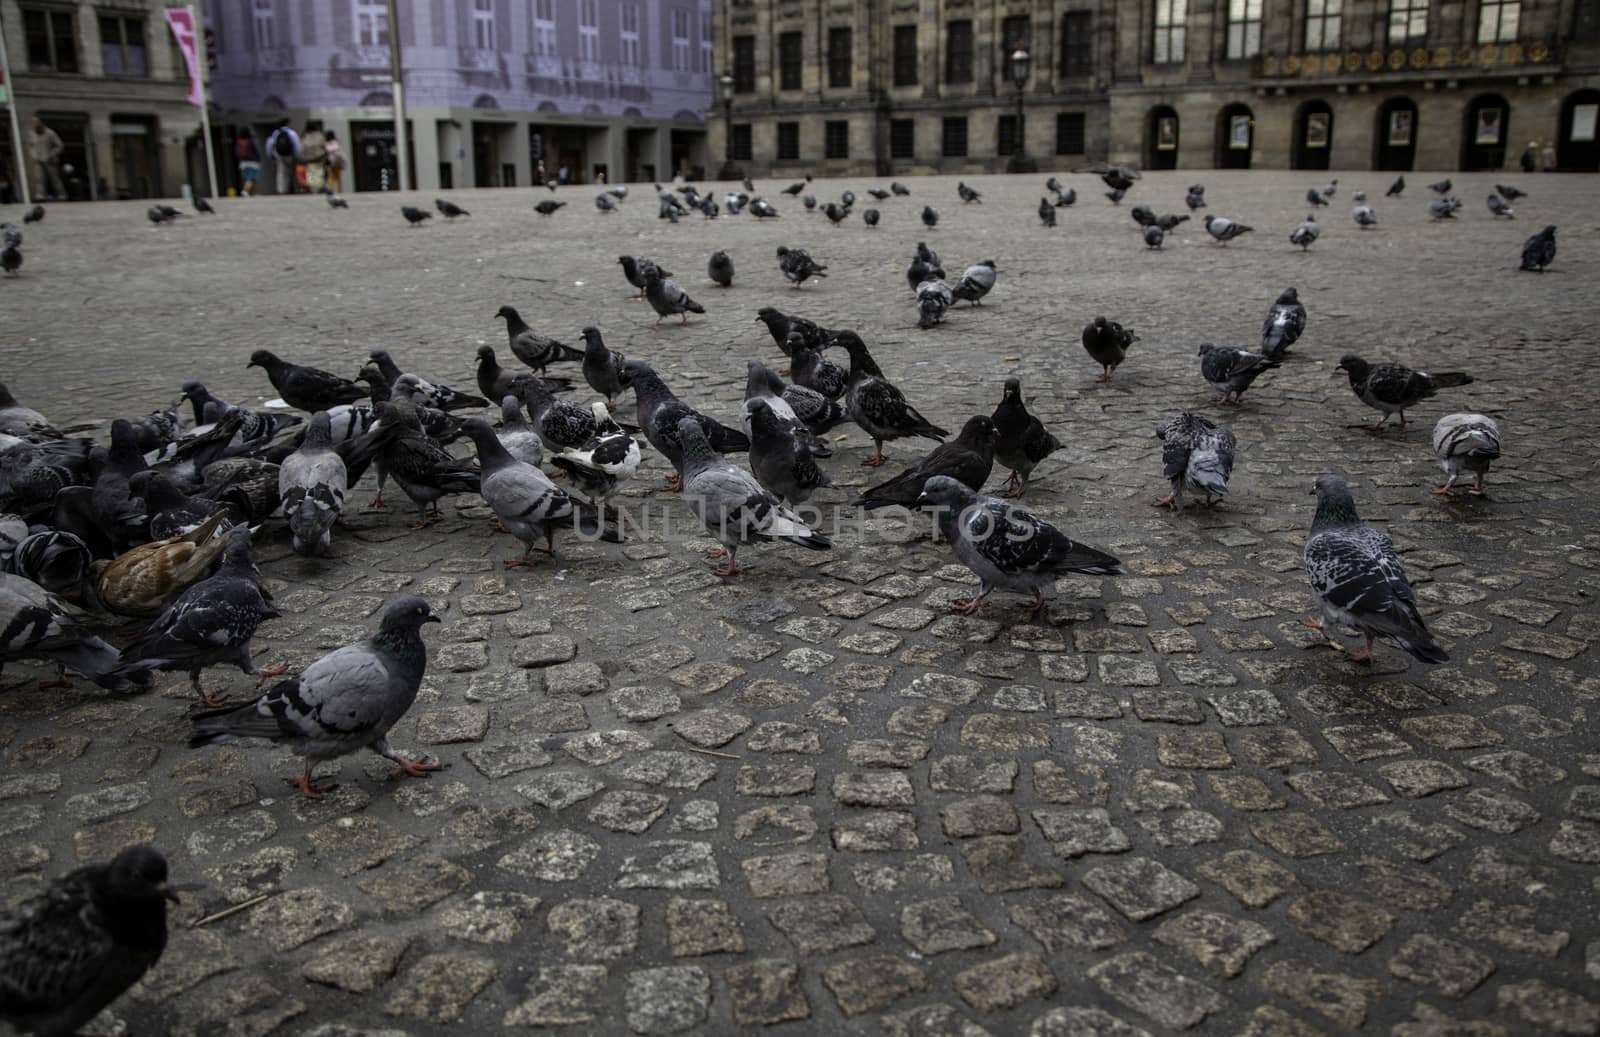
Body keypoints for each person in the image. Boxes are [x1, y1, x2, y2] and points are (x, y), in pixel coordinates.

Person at [28, 116, 66, 201]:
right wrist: (33, 155)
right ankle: (40, 195)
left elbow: (60, 145)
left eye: (36, 122)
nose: (34, 124)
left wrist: (51, 154)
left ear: (41, 122)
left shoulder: (50, 133)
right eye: (33, 123)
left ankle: (62, 194)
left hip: (50, 160)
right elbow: (31, 146)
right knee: (39, 178)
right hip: (38, 160)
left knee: (54, 178)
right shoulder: (32, 134)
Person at [264, 121, 300, 194]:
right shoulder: (291, 133)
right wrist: (297, 155)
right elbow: (297, 145)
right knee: (292, 172)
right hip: (290, 155)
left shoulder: (276, 133)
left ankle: (281, 190)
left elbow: (270, 144)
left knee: (281, 172)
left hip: (279, 155)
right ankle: (295, 189)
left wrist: (271, 155)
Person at [300, 122, 327, 193]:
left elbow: (302, 148)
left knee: (311, 173)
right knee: (318, 172)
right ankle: (318, 188)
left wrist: (303, 157)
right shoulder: (319, 135)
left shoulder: (305, 136)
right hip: (319, 157)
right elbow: (324, 146)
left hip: (309, 159)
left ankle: (313, 189)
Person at [236, 131, 261, 196]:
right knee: (251, 178)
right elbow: (257, 151)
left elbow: (236, 153)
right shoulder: (252, 141)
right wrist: (258, 159)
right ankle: (245, 190)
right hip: (252, 162)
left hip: (243, 163)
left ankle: (254, 193)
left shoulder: (239, 142)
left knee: (249, 178)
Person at [323, 129, 345, 193]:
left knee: (334, 175)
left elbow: (327, 150)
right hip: (337, 161)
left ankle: (330, 187)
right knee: (337, 176)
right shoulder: (335, 142)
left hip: (331, 161)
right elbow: (338, 150)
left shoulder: (326, 143)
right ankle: (339, 190)